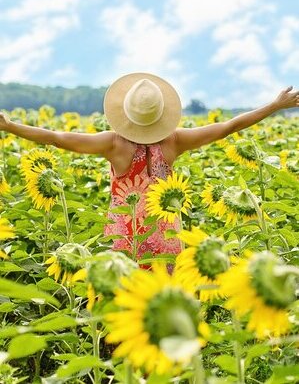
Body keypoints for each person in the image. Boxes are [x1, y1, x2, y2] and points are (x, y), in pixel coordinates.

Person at [0, 72, 298, 265]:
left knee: (126, 302)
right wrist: (274, 106)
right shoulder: (174, 141)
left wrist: (11, 126)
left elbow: (57, 138)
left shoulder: (113, 144)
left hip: (126, 237)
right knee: (163, 303)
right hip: (165, 236)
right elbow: (228, 126)